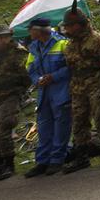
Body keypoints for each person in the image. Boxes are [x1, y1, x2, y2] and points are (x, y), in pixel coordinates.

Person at [62, 0, 100, 174]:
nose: (67, 29)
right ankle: (81, 157)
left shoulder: (98, 41)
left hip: (96, 85)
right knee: (79, 121)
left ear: (78, 25)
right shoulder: (70, 44)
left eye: (69, 26)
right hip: (78, 87)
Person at [24, 19, 71, 178]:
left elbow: (71, 66)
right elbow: (30, 68)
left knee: (61, 128)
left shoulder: (63, 43)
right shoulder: (34, 47)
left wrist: (53, 77)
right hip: (43, 93)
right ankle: (42, 161)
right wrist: (38, 79)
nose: (29, 32)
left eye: (31, 29)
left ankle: (57, 160)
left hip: (61, 91)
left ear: (39, 30)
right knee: (44, 128)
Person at [0, 25, 31, 181]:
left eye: (5, 36)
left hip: (11, 94)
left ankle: (9, 165)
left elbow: (26, 75)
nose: (2, 40)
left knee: (3, 129)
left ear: (10, 37)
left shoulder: (19, 53)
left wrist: (20, 91)